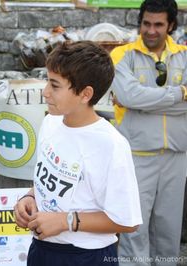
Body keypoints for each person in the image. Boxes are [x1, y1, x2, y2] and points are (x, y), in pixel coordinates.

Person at [13, 40, 142, 266]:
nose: (45, 92)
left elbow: (127, 220)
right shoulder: (50, 122)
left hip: (86, 257)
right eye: (47, 81)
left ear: (85, 94)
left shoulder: (111, 145)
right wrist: (30, 197)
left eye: (55, 85)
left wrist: (67, 221)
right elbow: (54, 182)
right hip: (42, 249)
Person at [110, 0, 187, 264]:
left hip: (177, 154)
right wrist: (180, 95)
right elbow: (128, 95)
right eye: (146, 23)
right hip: (136, 153)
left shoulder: (185, 54)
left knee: (169, 228)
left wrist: (143, 104)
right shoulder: (121, 55)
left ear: (171, 26)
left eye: (158, 24)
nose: (150, 30)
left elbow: (135, 100)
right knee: (135, 227)